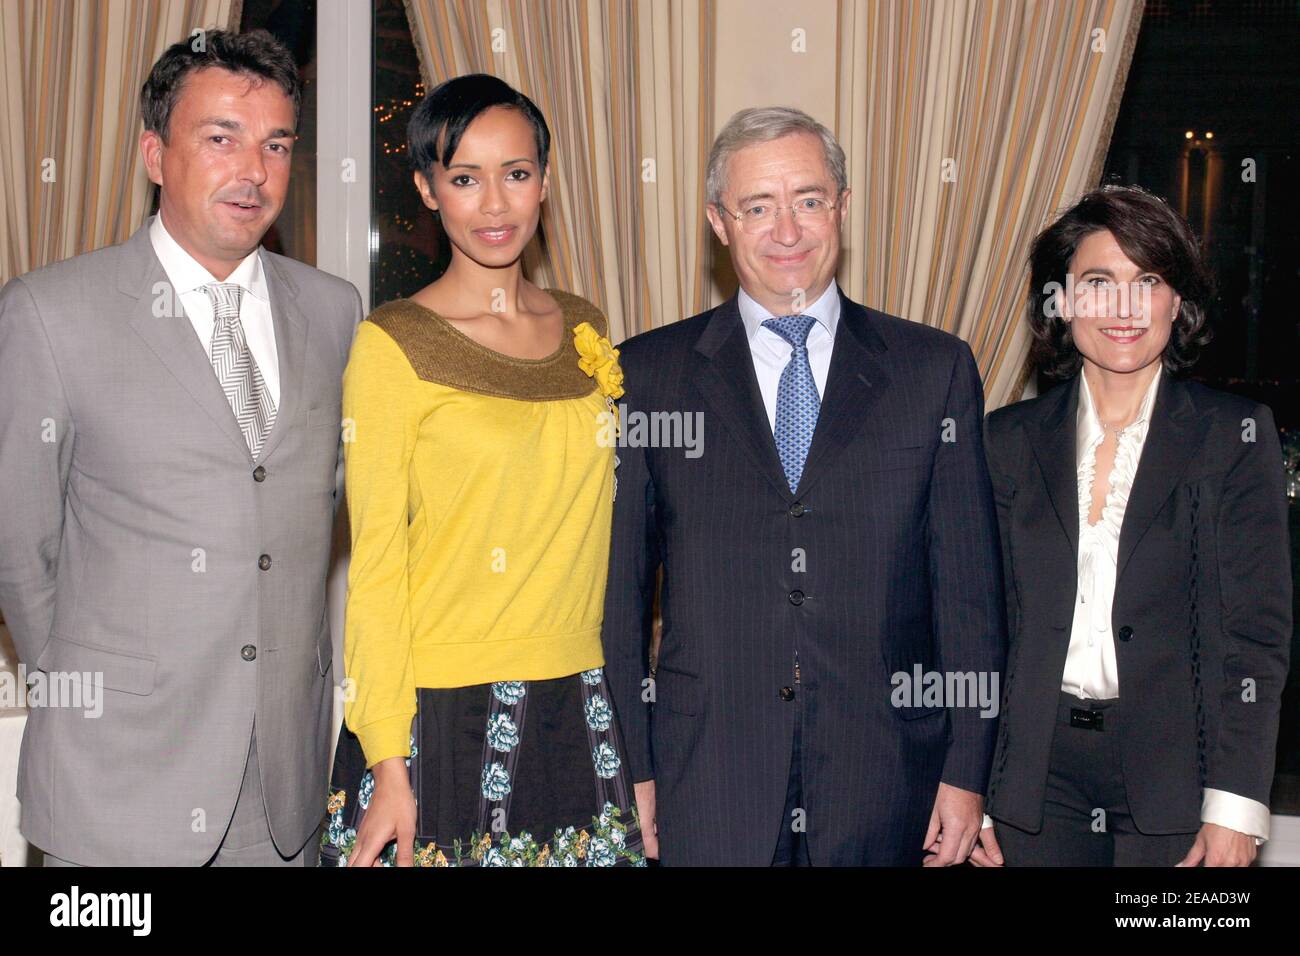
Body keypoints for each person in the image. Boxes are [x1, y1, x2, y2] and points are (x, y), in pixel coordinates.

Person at [601, 107, 1006, 866]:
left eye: (809, 200)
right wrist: (633, 770)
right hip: (705, 778)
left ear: (843, 208)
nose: (786, 230)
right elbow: (618, 601)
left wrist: (965, 770)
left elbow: (969, 596)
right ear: (720, 223)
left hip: (888, 781)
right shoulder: (646, 377)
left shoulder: (933, 371)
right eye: (758, 206)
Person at [0, 30, 361, 865]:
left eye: (277, 145)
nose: (255, 169)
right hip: (115, 787)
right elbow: (20, 546)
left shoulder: (335, 312)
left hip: (285, 796)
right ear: (155, 153)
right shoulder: (51, 314)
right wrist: (96, 690)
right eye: (222, 137)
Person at [319, 74, 644, 867]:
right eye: (465, 178)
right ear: (428, 191)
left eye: (517, 173)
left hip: (578, 706)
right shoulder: (393, 345)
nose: (495, 205)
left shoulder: (585, 328)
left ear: (545, 180)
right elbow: (377, 575)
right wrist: (391, 766)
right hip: (442, 718)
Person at [971, 185, 1292, 867]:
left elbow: (1256, 636)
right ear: (1063, 301)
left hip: (1179, 773)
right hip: (1035, 777)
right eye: (1097, 281)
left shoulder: (1232, 437)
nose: (1122, 307)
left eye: (1147, 280)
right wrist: (974, 784)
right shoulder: (1005, 440)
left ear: (1177, 304)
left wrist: (1236, 804)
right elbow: (981, 626)